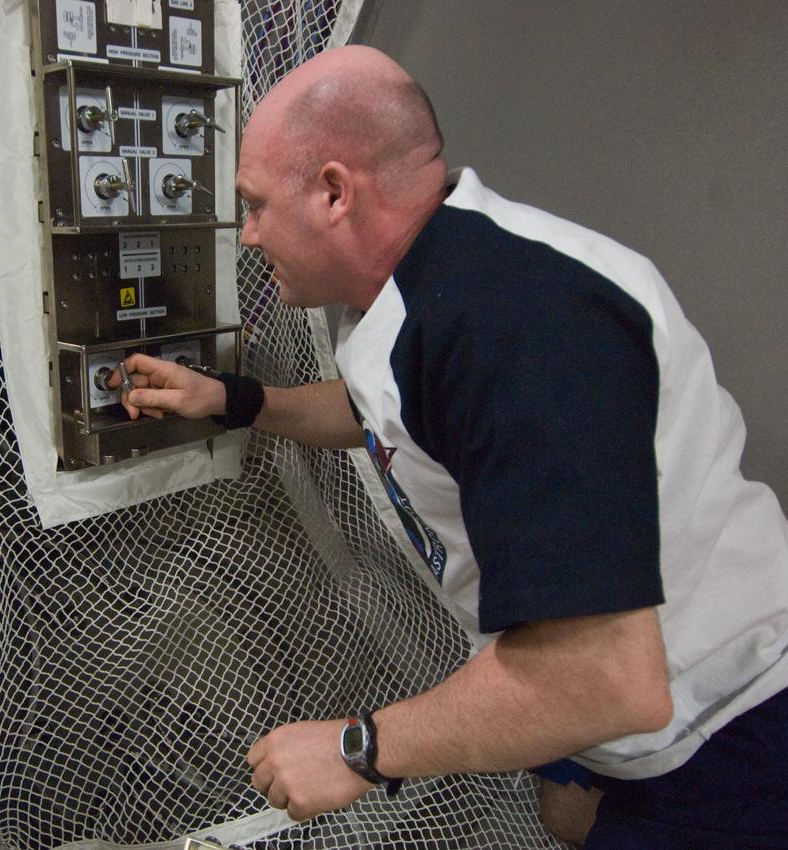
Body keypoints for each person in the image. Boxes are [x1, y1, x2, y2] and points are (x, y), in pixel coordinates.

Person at [110, 45, 788, 847]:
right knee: (567, 815)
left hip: (725, 737)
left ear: (334, 192)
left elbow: (603, 678)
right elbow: (396, 413)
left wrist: (355, 749)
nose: (250, 235)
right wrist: (234, 401)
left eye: (255, 205)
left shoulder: (520, 324)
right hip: (635, 724)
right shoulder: (435, 283)